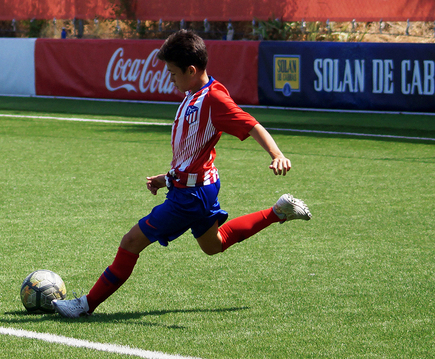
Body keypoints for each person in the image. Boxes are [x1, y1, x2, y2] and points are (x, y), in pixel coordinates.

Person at [52, 30, 311, 318]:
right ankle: (279, 211)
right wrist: (168, 178)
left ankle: (85, 305)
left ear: (191, 69)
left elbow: (252, 125)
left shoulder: (214, 99)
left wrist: (277, 156)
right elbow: (192, 150)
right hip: (195, 186)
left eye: (173, 73)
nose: (170, 79)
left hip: (191, 196)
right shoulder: (193, 94)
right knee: (214, 245)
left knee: (130, 242)